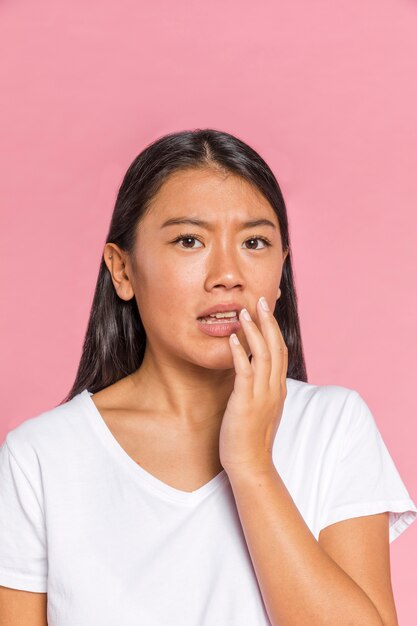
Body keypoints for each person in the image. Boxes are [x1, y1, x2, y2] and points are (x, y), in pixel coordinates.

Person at [0, 129, 416, 626]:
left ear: (281, 271)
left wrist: (251, 465)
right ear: (122, 270)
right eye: (189, 240)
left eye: (255, 242)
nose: (227, 274)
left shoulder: (333, 426)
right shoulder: (41, 458)